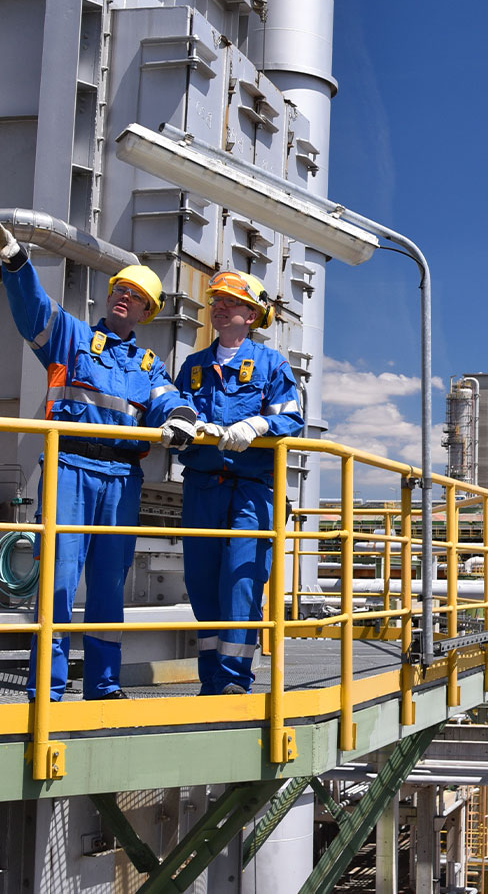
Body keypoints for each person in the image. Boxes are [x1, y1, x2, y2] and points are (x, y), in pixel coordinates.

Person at [0, 223, 196, 701]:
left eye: (135, 295)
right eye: (119, 289)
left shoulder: (147, 366)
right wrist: (16, 260)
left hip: (122, 479)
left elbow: (170, 400)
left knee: (108, 587)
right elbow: (33, 311)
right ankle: (49, 687)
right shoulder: (72, 340)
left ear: (147, 311)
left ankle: (103, 684)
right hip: (70, 471)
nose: (124, 297)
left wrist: (182, 418)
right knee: (59, 582)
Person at [176, 271, 304, 695]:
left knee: (241, 581)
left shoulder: (271, 364)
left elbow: (292, 418)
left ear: (251, 314)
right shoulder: (194, 367)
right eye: (216, 301)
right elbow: (180, 410)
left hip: (252, 489)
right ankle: (211, 678)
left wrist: (257, 423)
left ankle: (233, 681)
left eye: (230, 302)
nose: (220, 307)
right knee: (201, 579)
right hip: (201, 486)